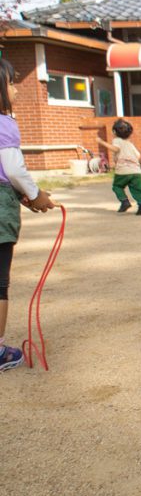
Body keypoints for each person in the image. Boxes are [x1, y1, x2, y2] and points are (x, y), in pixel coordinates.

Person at [0, 58, 57, 372]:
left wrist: (23, 196)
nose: (16, 90)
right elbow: (13, 169)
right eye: (10, 83)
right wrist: (35, 195)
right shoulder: (4, 125)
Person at [96, 119, 141, 215]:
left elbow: (115, 149)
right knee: (138, 189)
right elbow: (138, 156)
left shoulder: (117, 140)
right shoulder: (130, 144)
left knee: (117, 186)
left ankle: (124, 201)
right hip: (136, 171)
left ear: (114, 132)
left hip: (123, 170)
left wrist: (101, 142)